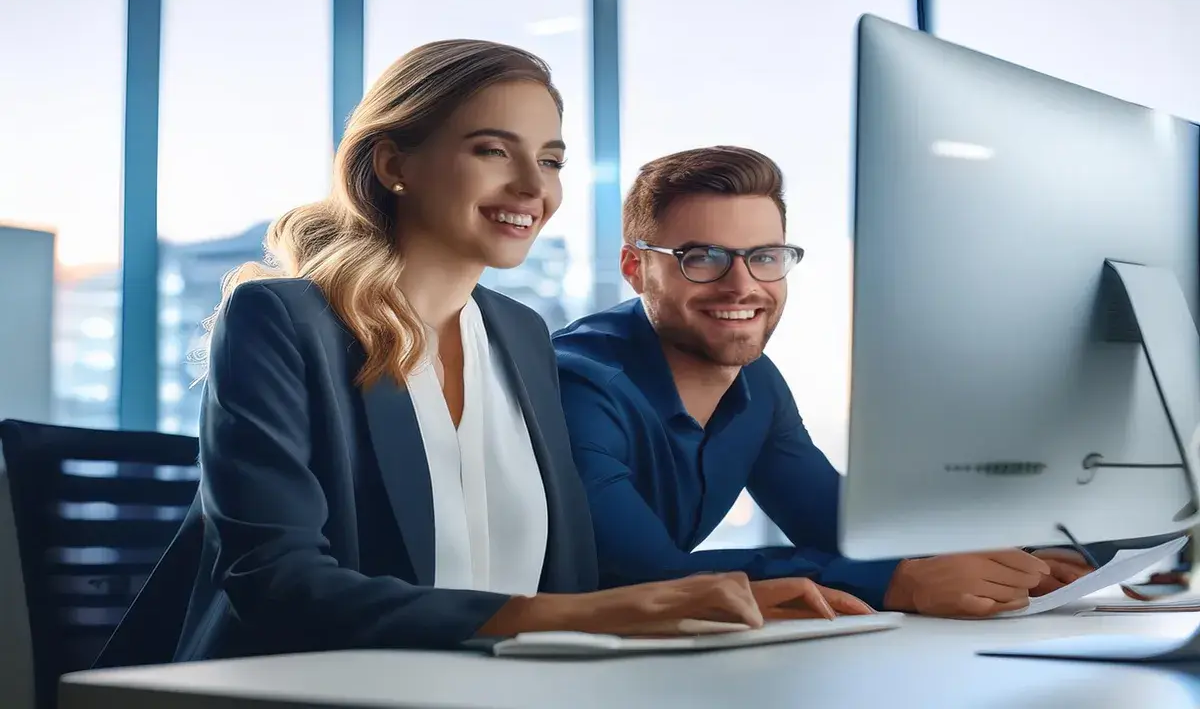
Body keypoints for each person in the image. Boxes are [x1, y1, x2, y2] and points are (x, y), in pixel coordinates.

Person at [95, 46, 874, 668]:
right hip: (308, 690)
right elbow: (278, 583)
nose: (532, 186)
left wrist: (727, 601)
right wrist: (581, 616)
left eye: (553, 159)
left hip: (495, 688)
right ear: (395, 163)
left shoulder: (521, 335)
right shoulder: (280, 321)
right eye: (493, 150)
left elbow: (565, 573)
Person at [552, 145, 1093, 618]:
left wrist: (998, 561)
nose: (742, 285)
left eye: (764, 257)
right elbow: (641, 575)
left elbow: (835, 526)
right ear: (634, 267)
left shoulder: (755, 381)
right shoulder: (579, 383)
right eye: (703, 258)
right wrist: (899, 582)